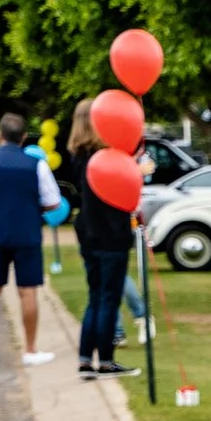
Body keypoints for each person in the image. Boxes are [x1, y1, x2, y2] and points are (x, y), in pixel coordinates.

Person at [59, 99, 137, 377]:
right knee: (108, 298)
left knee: (95, 296)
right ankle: (105, 360)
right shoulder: (104, 156)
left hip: (88, 232)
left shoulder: (77, 155)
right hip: (110, 233)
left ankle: (84, 357)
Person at [0, 111, 63, 365]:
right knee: (28, 292)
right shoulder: (37, 165)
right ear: (24, 137)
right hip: (26, 233)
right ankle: (31, 350)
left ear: (0, 135)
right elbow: (53, 202)